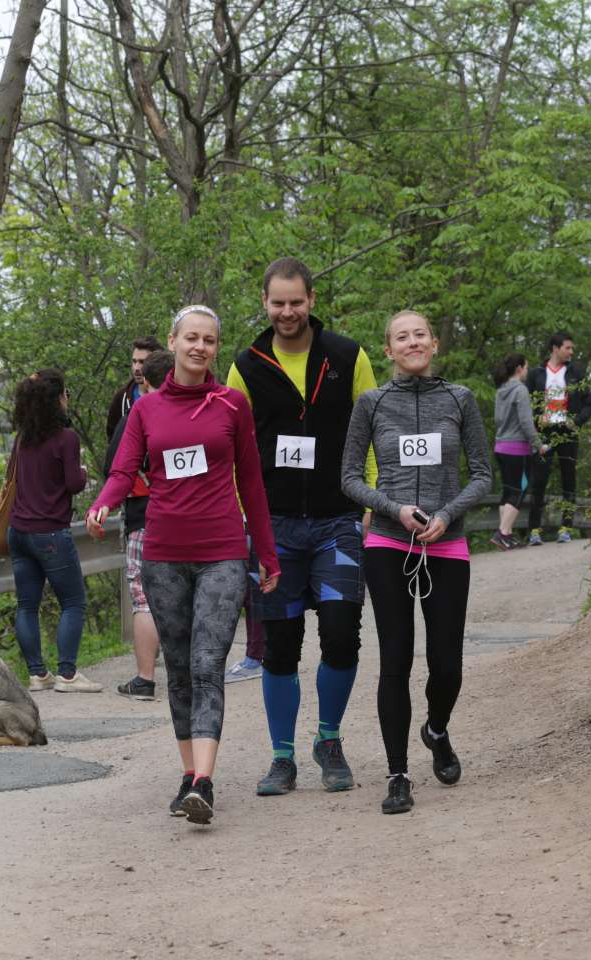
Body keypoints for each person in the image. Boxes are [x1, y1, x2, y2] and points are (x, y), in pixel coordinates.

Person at [88, 305, 280, 826]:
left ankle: (204, 782)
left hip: (222, 552)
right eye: (191, 338)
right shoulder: (146, 410)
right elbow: (123, 471)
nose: (200, 347)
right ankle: (188, 772)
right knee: (178, 669)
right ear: (172, 343)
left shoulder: (233, 404)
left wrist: (266, 553)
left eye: (209, 340)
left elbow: (252, 483)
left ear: (216, 348)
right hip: (164, 555)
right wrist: (103, 503)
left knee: (207, 663)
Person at [226, 256, 379, 797]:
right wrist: (245, 518)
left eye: (296, 302)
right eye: (278, 303)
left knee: (341, 635)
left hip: (339, 520)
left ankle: (329, 740)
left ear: (312, 300)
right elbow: (233, 447)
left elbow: (373, 429)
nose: (287, 312)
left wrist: (370, 500)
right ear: (265, 303)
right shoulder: (245, 366)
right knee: (280, 646)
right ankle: (282, 757)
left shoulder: (347, 355)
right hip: (275, 528)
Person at [341, 311, 492, 815]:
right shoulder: (372, 403)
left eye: (420, 334)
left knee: (446, 663)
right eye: (401, 337)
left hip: (446, 543)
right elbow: (349, 478)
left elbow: (482, 474)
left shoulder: (460, 399)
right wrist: (394, 509)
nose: (412, 342)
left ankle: (437, 730)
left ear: (434, 344)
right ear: (388, 350)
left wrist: (446, 515)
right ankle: (398, 774)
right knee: (396, 660)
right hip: (389, 544)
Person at [9, 370, 100, 693]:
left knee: (27, 605)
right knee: (73, 602)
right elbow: (73, 483)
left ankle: (38, 674)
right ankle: (68, 674)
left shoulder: (22, 438)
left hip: (18, 531)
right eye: (66, 393)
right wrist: (83, 472)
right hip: (50, 533)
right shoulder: (66, 438)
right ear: (57, 398)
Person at [109, 349, 173, 701]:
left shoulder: (136, 415)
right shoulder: (193, 413)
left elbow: (114, 466)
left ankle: (145, 679)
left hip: (143, 516)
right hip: (187, 517)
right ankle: (190, 674)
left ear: (145, 381)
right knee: (183, 592)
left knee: (144, 596)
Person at [524, 332, 591, 545]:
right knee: (539, 480)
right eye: (567, 348)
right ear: (555, 348)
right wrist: (536, 418)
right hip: (543, 432)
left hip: (567, 432)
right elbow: (525, 403)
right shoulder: (536, 374)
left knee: (569, 479)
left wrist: (576, 421)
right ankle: (534, 530)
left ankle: (566, 528)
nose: (571, 352)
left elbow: (589, 403)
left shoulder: (576, 373)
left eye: (572, 348)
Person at [490, 353, 546, 550]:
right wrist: (538, 445)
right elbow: (526, 422)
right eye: (527, 367)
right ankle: (502, 533)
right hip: (517, 449)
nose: (527, 371)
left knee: (508, 490)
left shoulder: (501, 390)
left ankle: (507, 534)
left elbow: (497, 419)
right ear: (519, 368)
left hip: (500, 446)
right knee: (519, 490)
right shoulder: (520, 390)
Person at [106, 336, 165, 441]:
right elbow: (112, 439)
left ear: (156, 363)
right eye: (134, 361)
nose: (136, 368)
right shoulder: (121, 398)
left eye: (142, 362)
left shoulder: (170, 395)